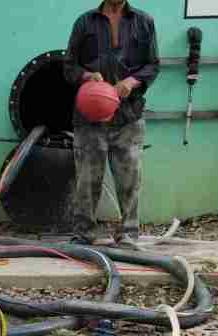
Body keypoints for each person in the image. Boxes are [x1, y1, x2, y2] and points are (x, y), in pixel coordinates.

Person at [64, 0, 160, 248]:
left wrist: (132, 81)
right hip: (89, 117)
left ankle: (128, 233)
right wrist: (87, 76)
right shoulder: (85, 22)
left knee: (130, 179)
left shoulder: (144, 22)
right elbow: (68, 66)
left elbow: (153, 65)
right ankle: (83, 235)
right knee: (86, 179)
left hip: (128, 115)